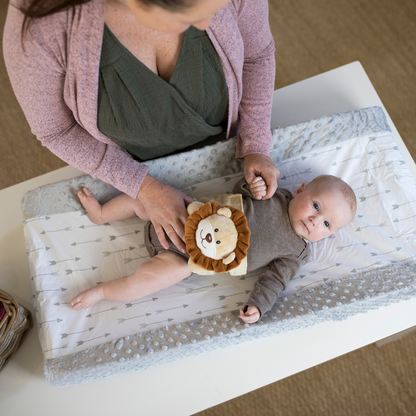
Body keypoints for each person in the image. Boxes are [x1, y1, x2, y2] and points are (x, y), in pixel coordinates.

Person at [3, 0, 280, 255]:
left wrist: (255, 141)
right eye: (191, 15)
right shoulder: (41, 27)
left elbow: (257, 55)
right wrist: (144, 187)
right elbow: (56, 130)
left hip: (226, 144)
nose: (210, 24)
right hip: (124, 166)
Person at [70, 174, 357, 324]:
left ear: (329, 234)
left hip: (185, 257)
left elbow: (275, 281)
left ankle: (103, 292)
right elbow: (236, 191)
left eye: (327, 224)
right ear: (301, 189)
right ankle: (102, 214)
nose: (314, 220)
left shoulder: (296, 251)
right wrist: (251, 185)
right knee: (144, 201)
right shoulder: (272, 195)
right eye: (316, 206)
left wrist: (259, 306)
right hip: (187, 216)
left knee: (155, 278)